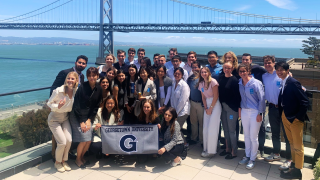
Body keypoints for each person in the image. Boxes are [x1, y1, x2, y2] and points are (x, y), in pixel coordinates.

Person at [49, 55, 87, 161]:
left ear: (86, 65)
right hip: (59, 109)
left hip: (70, 109)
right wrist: (54, 106)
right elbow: (53, 88)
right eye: (79, 62)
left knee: (67, 135)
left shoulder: (82, 76)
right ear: (75, 63)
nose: (81, 64)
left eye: (83, 63)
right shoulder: (65, 73)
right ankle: (54, 155)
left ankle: (66, 153)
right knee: (57, 135)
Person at [276, 62, 309, 179]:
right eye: (277, 70)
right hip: (286, 115)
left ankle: (298, 171)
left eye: (282, 70)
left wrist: (298, 118)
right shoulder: (284, 81)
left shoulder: (293, 82)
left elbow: (305, 101)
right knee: (291, 143)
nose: (279, 72)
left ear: (287, 70)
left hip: (294, 118)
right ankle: (293, 167)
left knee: (298, 146)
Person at [262, 56, 292, 171]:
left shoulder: (281, 75)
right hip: (272, 108)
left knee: (287, 135)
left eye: (269, 62)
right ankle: (276, 154)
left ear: (274, 63)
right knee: (275, 133)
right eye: (265, 63)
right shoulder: (264, 76)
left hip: (284, 109)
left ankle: (289, 159)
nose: (267, 65)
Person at [70, 67, 103, 168]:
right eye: (89, 76)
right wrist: (81, 121)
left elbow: (96, 107)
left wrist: (89, 120)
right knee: (84, 138)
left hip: (88, 116)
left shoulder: (99, 88)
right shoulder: (82, 87)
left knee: (89, 140)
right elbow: (76, 106)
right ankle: (77, 159)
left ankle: (82, 156)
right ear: (87, 76)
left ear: (97, 76)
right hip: (77, 115)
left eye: (94, 75)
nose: (92, 77)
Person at [47, 72, 78, 172]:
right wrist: (58, 106)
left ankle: (64, 160)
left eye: (72, 79)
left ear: (76, 81)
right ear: (66, 79)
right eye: (68, 78)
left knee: (69, 140)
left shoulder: (74, 91)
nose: (70, 80)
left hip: (65, 118)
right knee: (62, 142)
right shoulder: (58, 91)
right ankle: (57, 162)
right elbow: (49, 103)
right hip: (54, 119)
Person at [237, 64, 265, 170]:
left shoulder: (256, 83)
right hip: (244, 111)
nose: (242, 73)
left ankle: (252, 159)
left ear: (249, 71)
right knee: (246, 136)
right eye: (240, 71)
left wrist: (260, 113)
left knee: (254, 137)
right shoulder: (240, 83)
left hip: (255, 112)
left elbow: (262, 99)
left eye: (244, 71)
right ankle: (247, 156)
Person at [242, 53, 267, 157]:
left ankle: (260, 149)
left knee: (260, 129)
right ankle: (249, 153)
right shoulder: (241, 76)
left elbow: (271, 72)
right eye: (243, 59)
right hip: (245, 108)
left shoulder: (258, 69)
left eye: (247, 60)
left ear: (251, 61)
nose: (245, 61)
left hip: (257, 107)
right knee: (247, 133)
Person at [197, 67, 222, 158]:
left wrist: (210, 108)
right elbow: (203, 97)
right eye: (202, 72)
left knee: (212, 128)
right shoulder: (201, 84)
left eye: (205, 72)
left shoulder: (213, 82)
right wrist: (206, 108)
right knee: (206, 127)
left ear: (208, 73)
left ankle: (211, 151)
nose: (203, 73)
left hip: (215, 104)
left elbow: (216, 96)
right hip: (207, 105)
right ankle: (206, 148)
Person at [218, 62, 241, 159]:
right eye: (225, 68)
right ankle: (227, 148)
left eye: (228, 68)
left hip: (232, 108)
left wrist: (238, 110)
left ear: (232, 69)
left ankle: (234, 152)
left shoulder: (235, 80)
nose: (226, 69)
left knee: (232, 131)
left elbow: (238, 97)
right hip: (223, 107)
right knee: (226, 130)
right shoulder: (221, 78)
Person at [187, 61, 204, 145]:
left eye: (196, 67)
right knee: (193, 122)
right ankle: (194, 138)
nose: (194, 69)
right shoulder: (189, 78)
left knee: (201, 123)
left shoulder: (203, 78)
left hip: (201, 104)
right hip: (192, 103)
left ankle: (201, 140)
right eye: (193, 67)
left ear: (199, 67)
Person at [170, 67, 190, 138]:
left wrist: (176, 113)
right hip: (175, 111)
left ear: (182, 75)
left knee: (176, 129)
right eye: (175, 74)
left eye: (179, 74)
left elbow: (183, 101)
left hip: (182, 112)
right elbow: (172, 97)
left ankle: (184, 143)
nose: (177, 75)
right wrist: (172, 111)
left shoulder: (184, 85)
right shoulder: (174, 83)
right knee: (175, 128)